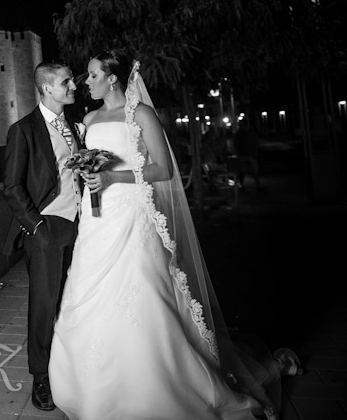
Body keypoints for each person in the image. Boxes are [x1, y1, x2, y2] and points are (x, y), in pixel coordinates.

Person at [48, 49, 288, 420]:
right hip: (98, 220)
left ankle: (159, 386)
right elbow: (90, 162)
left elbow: (162, 170)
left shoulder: (141, 114)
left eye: (93, 74)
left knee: (144, 293)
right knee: (86, 292)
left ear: (113, 78)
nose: (86, 81)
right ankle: (93, 387)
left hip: (132, 214)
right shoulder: (90, 117)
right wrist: (90, 176)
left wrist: (114, 176)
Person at [3, 60, 84, 411]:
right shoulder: (23, 130)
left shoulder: (75, 127)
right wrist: (37, 227)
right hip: (47, 228)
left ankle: (71, 367)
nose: (74, 87)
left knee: (75, 299)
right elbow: (12, 187)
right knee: (44, 303)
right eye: (67, 82)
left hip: (82, 227)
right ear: (48, 88)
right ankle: (40, 378)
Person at [233, 119, 261, 190]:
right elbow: (236, 144)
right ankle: (242, 184)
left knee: (254, 170)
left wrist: (255, 152)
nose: (239, 126)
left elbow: (255, 143)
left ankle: (257, 184)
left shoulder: (249, 133)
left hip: (250, 154)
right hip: (244, 154)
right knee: (243, 171)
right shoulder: (239, 134)